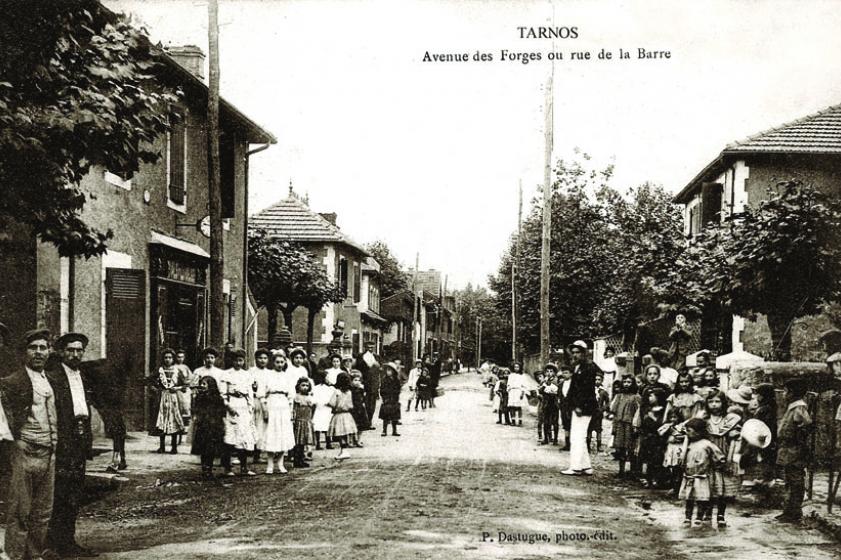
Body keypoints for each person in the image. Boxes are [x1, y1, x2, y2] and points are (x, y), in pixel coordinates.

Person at [1, 329, 60, 560]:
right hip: (25, 449)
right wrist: (16, 442)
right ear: (25, 352)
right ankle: (14, 555)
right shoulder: (13, 381)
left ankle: (34, 554)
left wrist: (55, 446)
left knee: (43, 510)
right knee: (19, 509)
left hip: (49, 451)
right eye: (33, 348)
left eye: (42, 348)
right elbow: (5, 416)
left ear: (49, 352)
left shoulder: (53, 381)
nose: (38, 352)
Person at [44, 332, 99, 558]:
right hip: (63, 440)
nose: (75, 354)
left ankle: (69, 541)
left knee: (75, 493)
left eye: (79, 350)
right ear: (61, 352)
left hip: (79, 437)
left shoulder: (82, 376)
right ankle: (53, 544)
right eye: (70, 350)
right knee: (60, 493)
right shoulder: (53, 377)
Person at [775, 377, 813, 523]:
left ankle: (794, 511)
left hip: (794, 449)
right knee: (790, 480)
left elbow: (805, 425)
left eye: (785, 391)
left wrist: (799, 444)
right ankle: (789, 510)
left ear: (792, 393)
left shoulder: (799, 407)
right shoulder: (793, 406)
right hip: (788, 448)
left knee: (795, 481)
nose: (783, 394)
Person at [706, 389, 745, 527]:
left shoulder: (730, 420)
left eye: (717, 401)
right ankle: (707, 511)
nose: (714, 405)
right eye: (711, 402)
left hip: (724, 454)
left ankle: (721, 515)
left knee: (723, 488)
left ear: (723, 403)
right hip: (708, 455)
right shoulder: (705, 419)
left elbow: (736, 438)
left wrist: (730, 457)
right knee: (709, 486)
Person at [679, 417, 726, 527]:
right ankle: (687, 517)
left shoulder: (707, 444)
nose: (687, 434)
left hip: (702, 477)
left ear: (698, 432)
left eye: (689, 431)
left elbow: (719, 457)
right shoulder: (688, 444)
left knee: (702, 498)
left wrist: (716, 465)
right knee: (689, 498)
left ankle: (699, 517)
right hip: (689, 476)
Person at [562, 340, 599, 476]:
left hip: (584, 407)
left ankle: (576, 467)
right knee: (579, 436)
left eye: (578, 352)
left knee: (577, 437)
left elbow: (586, 390)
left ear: (584, 353)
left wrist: (579, 406)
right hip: (578, 406)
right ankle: (586, 466)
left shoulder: (588, 367)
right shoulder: (578, 367)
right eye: (574, 352)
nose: (575, 355)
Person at [219, 348, 257, 476]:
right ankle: (228, 468)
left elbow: (250, 393)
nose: (238, 363)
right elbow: (223, 394)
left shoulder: (247, 375)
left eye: (241, 360)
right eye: (236, 360)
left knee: (244, 436)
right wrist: (228, 406)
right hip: (232, 405)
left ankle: (244, 467)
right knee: (230, 436)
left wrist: (250, 407)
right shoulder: (226, 374)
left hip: (243, 406)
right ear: (231, 361)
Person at [191, 376, 227, 479]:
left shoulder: (217, 398)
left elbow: (221, 411)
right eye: (201, 384)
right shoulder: (199, 397)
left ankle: (209, 468)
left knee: (211, 449)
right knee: (203, 448)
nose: (202, 386)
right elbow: (196, 410)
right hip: (203, 426)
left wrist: (221, 422)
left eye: (204, 384)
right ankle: (204, 468)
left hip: (214, 426)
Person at [608, 374, 640, 478]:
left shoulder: (636, 397)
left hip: (630, 425)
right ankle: (621, 471)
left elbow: (638, 412)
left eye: (629, 382)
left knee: (631, 448)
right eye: (625, 382)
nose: (626, 384)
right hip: (620, 424)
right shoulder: (619, 396)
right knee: (620, 447)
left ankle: (632, 471)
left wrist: (636, 426)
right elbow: (613, 410)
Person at [155, 348, 185, 454]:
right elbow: (151, 381)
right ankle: (162, 446)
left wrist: (176, 388)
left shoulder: (177, 371)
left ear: (173, 359)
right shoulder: (159, 370)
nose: (168, 360)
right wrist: (156, 388)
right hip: (162, 397)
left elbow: (184, 386)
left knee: (174, 421)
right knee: (162, 421)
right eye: (166, 357)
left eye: (170, 357)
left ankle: (174, 447)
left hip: (174, 399)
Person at [638, 388, 668, 488]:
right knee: (646, 459)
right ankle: (647, 478)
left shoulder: (663, 411)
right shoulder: (647, 409)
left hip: (658, 439)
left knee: (657, 459)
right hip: (647, 438)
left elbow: (662, 424)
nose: (649, 398)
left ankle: (656, 479)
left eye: (652, 396)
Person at [327, 372, 357, 459]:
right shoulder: (349, 392)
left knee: (340, 434)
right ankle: (343, 450)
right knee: (345, 433)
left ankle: (344, 450)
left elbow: (332, 403)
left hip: (339, 415)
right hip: (347, 415)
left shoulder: (337, 392)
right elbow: (351, 405)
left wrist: (328, 404)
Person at [250, 348, 272, 465]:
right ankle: (247, 451)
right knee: (251, 425)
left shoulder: (269, 373)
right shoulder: (251, 371)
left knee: (261, 426)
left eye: (265, 358)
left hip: (264, 401)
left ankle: (258, 453)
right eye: (260, 358)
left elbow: (270, 388)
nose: (262, 360)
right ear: (256, 359)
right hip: (252, 400)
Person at [355, 342, 382, 423]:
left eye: (371, 347)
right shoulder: (360, 356)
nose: (370, 349)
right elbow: (358, 369)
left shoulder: (376, 357)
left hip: (373, 385)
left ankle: (369, 421)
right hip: (364, 383)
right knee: (363, 403)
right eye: (368, 347)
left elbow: (379, 371)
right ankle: (364, 421)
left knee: (372, 405)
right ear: (365, 347)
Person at [291, 377, 315, 467]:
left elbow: (312, 408)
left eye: (307, 386)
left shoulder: (309, 397)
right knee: (298, 442)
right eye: (303, 385)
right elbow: (294, 409)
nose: (305, 387)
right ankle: (297, 461)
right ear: (298, 386)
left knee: (304, 441)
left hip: (307, 420)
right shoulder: (297, 397)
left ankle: (302, 459)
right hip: (299, 421)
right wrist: (293, 419)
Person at [588, 372, 610, 452]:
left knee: (598, 429)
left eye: (599, 380)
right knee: (589, 429)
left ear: (602, 381)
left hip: (598, 413)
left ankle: (599, 445)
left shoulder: (603, 391)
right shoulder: (589, 390)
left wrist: (603, 408)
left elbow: (608, 402)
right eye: (595, 379)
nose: (597, 381)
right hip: (590, 413)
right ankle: (588, 446)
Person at [379, 363, 402, 437]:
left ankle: (394, 430)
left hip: (394, 399)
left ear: (393, 371)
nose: (388, 372)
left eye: (390, 370)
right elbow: (382, 390)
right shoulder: (384, 380)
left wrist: (396, 395)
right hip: (387, 399)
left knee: (395, 416)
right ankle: (384, 430)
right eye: (387, 370)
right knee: (386, 416)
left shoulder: (396, 380)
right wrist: (384, 397)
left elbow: (398, 389)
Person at [312, 375, 334, 450]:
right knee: (318, 426)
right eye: (326, 378)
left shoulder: (330, 388)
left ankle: (328, 443)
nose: (328, 379)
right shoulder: (316, 388)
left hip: (327, 408)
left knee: (326, 426)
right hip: (320, 408)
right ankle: (318, 443)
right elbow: (314, 398)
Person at [174, 349, 194, 434]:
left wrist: (188, 383)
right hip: (178, 390)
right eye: (178, 357)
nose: (180, 359)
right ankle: (178, 427)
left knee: (186, 407)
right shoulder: (174, 367)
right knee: (178, 407)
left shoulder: (185, 367)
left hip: (185, 390)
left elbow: (191, 377)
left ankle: (186, 428)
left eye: (182, 357)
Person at [540, 364, 560, 446]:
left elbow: (559, 392)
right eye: (547, 371)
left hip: (554, 403)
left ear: (554, 373)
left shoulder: (556, 381)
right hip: (546, 403)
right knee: (546, 421)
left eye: (551, 371)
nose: (549, 373)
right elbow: (541, 391)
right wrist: (544, 386)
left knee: (555, 421)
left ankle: (555, 438)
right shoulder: (543, 381)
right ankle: (546, 438)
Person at [349, 371, 369, 445]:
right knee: (352, 425)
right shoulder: (350, 390)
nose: (357, 382)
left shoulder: (361, 389)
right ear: (351, 381)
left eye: (358, 380)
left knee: (361, 426)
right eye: (355, 380)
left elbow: (364, 398)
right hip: (353, 408)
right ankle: (351, 440)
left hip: (360, 408)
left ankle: (358, 439)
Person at [557, 365, 573, 449]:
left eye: (566, 373)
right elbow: (559, 395)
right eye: (563, 373)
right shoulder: (561, 384)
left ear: (571, 374)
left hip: (572, 407)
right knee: (566, 425)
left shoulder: (574, 384)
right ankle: (567, 444)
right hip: (563, 407)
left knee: (572, 425)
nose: (564, 374)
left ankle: (573, 443)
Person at [506, 362, 526, 426]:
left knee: (519, 407)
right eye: (515, 367)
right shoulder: (511, 375)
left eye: (517, 367)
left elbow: (524, 385)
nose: (516, 368)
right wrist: (509, 389)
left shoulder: (522, 376)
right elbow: (508, 384)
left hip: (518, 391)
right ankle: (513, 420)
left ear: (520, 368)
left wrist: (522, 393)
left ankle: (520, 421)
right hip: (512, 392)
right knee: (512, 407)